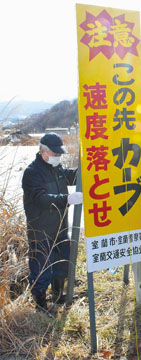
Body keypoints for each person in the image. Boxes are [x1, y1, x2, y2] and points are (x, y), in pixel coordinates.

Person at [22, 132, 83, 310]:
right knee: (41, 270)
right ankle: (40, 303)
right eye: (54, 154)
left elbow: (73, 176)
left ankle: (58, 295)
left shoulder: (57, 170)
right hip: (40, 230)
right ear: (43, 151)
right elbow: (41, 199)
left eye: (59, 155)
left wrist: (88, 169)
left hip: (60, 227)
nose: (57, 157)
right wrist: (68, 199)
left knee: (63, 263)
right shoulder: (32, 173)